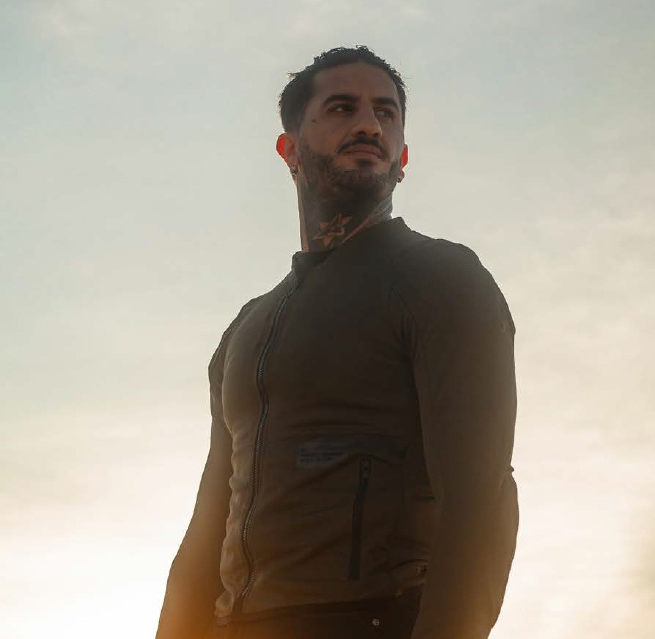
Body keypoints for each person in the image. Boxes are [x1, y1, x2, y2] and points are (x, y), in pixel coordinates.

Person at [155, 46, 518, 639]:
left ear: (403, 158)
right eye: (343, 108)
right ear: (290, 149)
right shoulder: (246, 328)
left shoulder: (441, 279)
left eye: (386, 113)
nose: (369, 125)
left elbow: (481, 502)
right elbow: (209, 525)